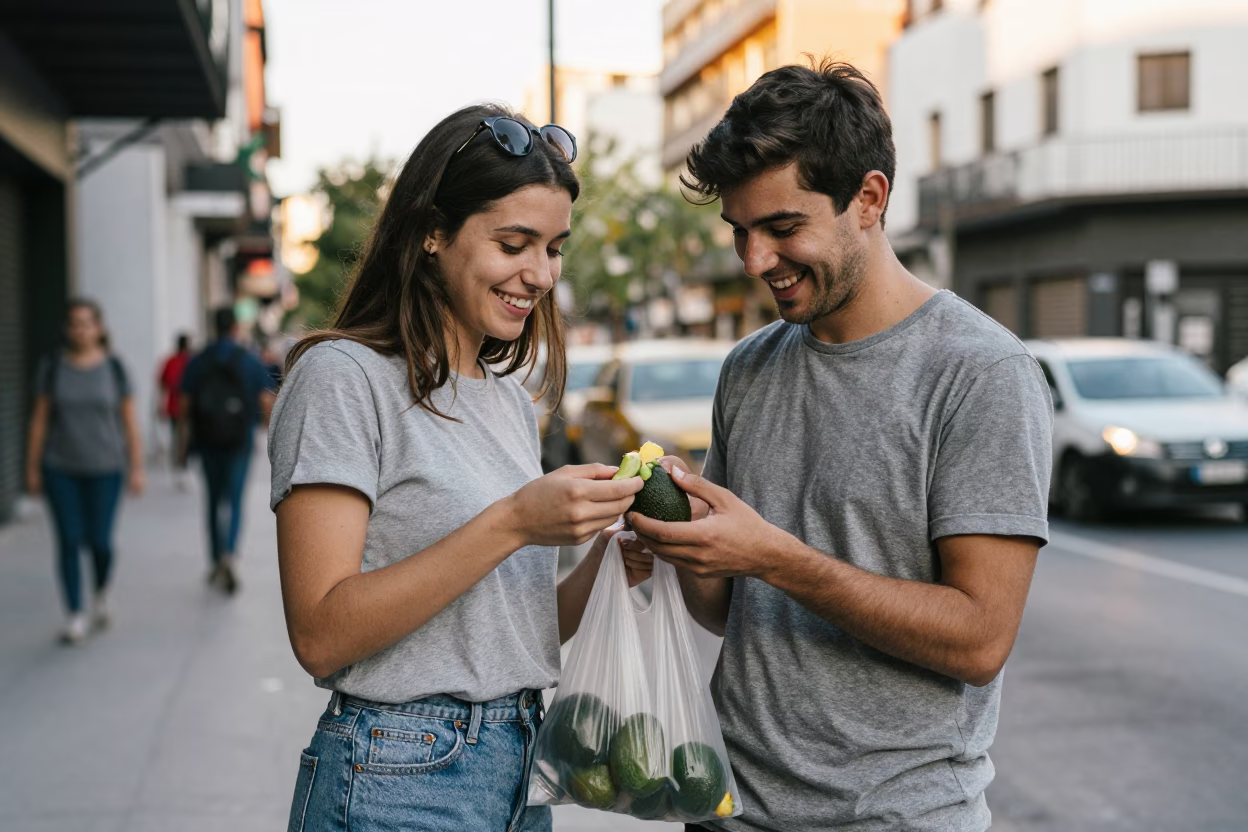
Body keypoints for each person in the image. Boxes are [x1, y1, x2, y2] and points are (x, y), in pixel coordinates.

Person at [629, 60, 1054, 832]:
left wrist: (773, 556)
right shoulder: (749, 368)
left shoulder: (979, 371)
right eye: (741, 233)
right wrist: (681, 536)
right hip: (726, 809)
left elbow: (980, 638)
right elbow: (724, 608)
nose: (757, 261)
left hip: (892, 817)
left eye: (784, 228)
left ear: (869, 199)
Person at [268, 104, 649, 832]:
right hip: (398, 774)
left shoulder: (504, 397)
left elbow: (511, 630)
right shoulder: (343, 378)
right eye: (515, 244)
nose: (539, 274)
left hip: (517, 765)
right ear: (433, 234)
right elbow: (319, 632)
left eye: (555, 248)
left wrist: (607, 561)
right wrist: (513, 522)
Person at [24, 299, 144, 644]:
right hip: (60, 468)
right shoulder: (53, 368)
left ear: (99, 328)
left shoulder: (115, 368)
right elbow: (40, 421)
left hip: (106, 468)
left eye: (87, 323)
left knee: (101, 542)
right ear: (67, 329)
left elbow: (128, 422)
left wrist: (136, 468)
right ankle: (75, 614)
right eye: (74, 323)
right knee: (69, 540)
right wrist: (32, 468)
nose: (81, 329)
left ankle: (102, 591)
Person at [179, 307, 276, 594]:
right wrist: (262, 429)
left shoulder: (198, 360)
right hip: (239, 440)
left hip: (207, 440)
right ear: (235, 327)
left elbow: (185, 405)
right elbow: (266, 401)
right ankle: (230, 555)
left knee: (212, 501)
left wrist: (183, 444)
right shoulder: (249, 360)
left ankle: (214, 559)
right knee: (234, 500)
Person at [158, 332, 193, 487]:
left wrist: (160, 404)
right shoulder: (191, 361)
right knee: (183, 437)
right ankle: (182, 466)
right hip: (186, 407)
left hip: (175, 406)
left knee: (178, 437)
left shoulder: (171, 361)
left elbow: (162, 384)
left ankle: (180, 465)